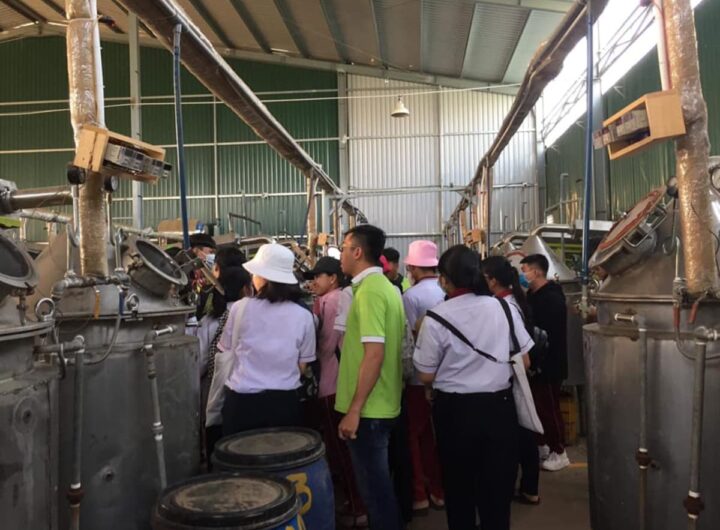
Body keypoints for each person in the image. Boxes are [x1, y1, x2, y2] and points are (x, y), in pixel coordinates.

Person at [414, 245, 533, 530]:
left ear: (445, 279)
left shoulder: (435, 318)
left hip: (455, 413)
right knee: (497, 490)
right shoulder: (504, 308)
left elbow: (426, 375)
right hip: (499, 410)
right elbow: (525, 361)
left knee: (459, 489)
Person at [337, 224, 406, 530]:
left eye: (343, 248)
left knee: (376, 494)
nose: (340, 255)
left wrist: (354, 410)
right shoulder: (386, 288)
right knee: (380, 489)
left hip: (369, 410)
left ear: (357, 252)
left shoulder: (370, 293)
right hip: (382, 402)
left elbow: (374, 354)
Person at [218, 243, 316, 435]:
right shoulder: (304, 316)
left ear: (262, 278)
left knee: (241, 452)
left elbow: (226, 350)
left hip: (241, 404)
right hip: (284, 404)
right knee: (283, 453)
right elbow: (302, 366)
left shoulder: (240, 308)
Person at [304, 257, 367, 525]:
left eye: (319, 276)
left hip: (332, 381)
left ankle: (356, 506)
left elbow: (326, 345)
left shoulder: (330, 302)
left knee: (340, 449)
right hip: (347, 379)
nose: (314, 282)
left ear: (332, 278)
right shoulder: (346, 296)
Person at [482, 255, 541, 505]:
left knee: (521, 436)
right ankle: (528, 487)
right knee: (523, 434)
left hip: (512, 379)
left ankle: (528, 488)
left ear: (492, 280)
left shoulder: (505, 306)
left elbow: (522, 358)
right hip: (515, 377)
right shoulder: (511, 300)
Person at [401, 240, 445, 513]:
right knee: (439, 436)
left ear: (414, 268)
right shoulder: (446, 291)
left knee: (416, 436)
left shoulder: (411, 297)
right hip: (447, 377)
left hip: (419, 378)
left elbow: (408, 339)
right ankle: (440, 491)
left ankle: (420, 494)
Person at [520, 254, 570, 472]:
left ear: (537, 271)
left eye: (525, 270)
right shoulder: (533, 295)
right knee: (538, 408)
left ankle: (560, 452)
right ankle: (544, 446)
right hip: (535, 362)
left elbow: (550, 336)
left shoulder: (552, 299)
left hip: (549, 364)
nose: (523, 274)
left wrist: (539, 361)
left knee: (549, 409)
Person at [204, 264, 252, 463]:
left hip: (213, 387)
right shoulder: (244, 312)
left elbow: (203, 357)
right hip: (240, 392)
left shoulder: (210, 318)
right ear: (245, 289)